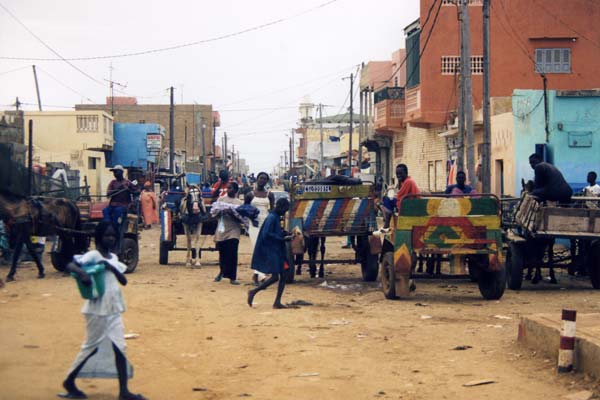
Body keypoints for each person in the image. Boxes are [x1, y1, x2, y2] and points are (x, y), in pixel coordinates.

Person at [59, 221, 146, 400]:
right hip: (96, 310)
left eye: (113, 235)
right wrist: (83, 274)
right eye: (107, 235)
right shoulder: (93, 255)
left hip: (113, 309)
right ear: (98, 237)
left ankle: (124, 391)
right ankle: (69, 381)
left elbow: (124, 281)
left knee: (120, 347)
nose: (110, 238)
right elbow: (70, 265)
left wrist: (110, 267)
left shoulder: (113, 258)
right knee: (91, 347)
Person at [247, 198, 293, 309]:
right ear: (281, 208)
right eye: (285, 210)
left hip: (277, 249)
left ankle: (277, 301)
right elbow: (267, 234)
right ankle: (254, 292)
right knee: (276, 276)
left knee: (284, 272)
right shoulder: (272, 218)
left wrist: (284, 233)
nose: (285, 212)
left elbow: (274, 231)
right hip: (272, 250)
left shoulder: (275, 217)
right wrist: (282, 238)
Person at [212, 182, 243, 284]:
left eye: (230, 188)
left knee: (232, 253)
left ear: (235, 190)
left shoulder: (238, 203)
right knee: (223, 253)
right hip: (222, 229)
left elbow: (242, 219)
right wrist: (221, 212)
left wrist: (232, 213)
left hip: (234, 230)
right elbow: (214, 214)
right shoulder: (221, 200)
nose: (228, 190)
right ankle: (222, 272)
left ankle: (232, 277)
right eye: (227, 188)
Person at [248, 172, 275, 284]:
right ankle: (262, 275)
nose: (262, 180)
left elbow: (273, 211)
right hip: (254, 225)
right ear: (257, 179)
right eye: (261, 178)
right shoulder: (250, 194)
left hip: (266, 224)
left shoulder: (269, 195)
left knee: (264, 249)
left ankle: (256, 275)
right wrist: (251, 217)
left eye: (265, 179)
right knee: (256, 248)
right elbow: (245, 209)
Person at [103, 165, 138, 232]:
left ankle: (115, 228)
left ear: (121, 172)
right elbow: (108, 194)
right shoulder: (113, 182)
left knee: (117, 211)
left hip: (123, 205)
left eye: (116, 172)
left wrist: (129, 190)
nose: (115, 174)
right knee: (105, 210)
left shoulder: (128, 182)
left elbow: (137, 191)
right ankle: (107, 226)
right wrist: (118, 189)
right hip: (112, 205)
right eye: (114, 172)